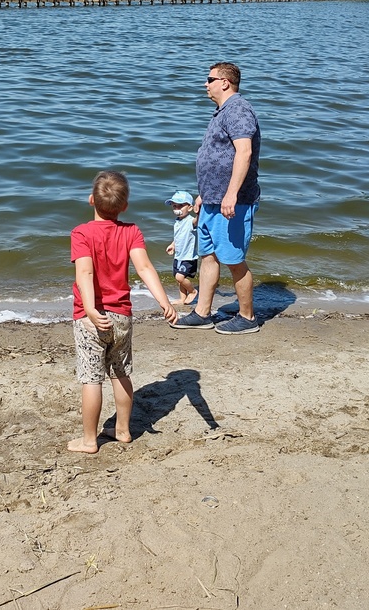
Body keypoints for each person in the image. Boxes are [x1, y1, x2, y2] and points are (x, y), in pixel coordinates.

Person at [68, 170, 177, 454]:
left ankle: (90, 440)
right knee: (120, 372)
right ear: (124, 206)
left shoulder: (81, 233)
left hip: (90, 318)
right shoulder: (132, 232)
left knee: (92, 378)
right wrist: (164, 302)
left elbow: (85, 271)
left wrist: (91, 309)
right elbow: (144, 268)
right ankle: (123, 430)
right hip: (122, 317)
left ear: (91, 200)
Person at [171, 62, 261, 335]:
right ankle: (203, 312)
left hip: (233, 201)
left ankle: (247, 317)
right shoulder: (222, 112)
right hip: (212, 200)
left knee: (233, 259)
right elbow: (218, 158)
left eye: (209, 79)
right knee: (208, 255)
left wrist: (231, 194)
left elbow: (243, 153)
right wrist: (203, 196)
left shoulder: (238, 109)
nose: (205, 84)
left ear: (225, 82)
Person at [164, 189, 199, 305]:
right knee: (178, 280)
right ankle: (182, 299)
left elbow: (197, 221)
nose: (177, 209)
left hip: (188, 257)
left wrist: (199, 211)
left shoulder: (190, 221)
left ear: (189, 208)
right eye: (174, 206)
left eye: (180, 206)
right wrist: (173, 245)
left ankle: (193, 291)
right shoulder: (177, 221)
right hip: (178, 256)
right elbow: (178, 236)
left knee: (180, 277)